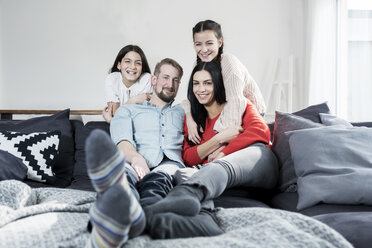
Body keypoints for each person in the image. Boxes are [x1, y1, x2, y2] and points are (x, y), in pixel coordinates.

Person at [145, 60, 278, 220]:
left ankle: (182, 196)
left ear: (218, 85)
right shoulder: (194, 120)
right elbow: (188, 156)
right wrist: (220, 138)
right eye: (196, 83)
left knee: (249, 154)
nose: (201, 89)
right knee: (184, 173)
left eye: (208, 83)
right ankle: (185, 221)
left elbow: (260, 132)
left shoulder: (240, 106)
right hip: (224, 185)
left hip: (256, 170)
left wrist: (222, 154)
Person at [85, 58, 187, 247]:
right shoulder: (128, 110)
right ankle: (112, 220)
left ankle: (143, 220)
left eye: (176, 80)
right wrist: (136, 158)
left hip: (169, 165)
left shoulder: (184, 112)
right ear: (154, 80)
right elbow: (122, 140)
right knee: (121, 180)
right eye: (165, 77)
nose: (170, 84)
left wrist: (193, 112)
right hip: (133, 160)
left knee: (159, 182)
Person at [184, 20, 267, 145]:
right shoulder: (198, 64)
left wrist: (219, 143)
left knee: (222, 152)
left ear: (220, 42)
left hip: (248, 113)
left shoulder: (228, 62)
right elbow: (192, 96)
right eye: (198, 44)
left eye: (209, 43)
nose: (204, 49)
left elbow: (235, 103)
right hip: (223, 111)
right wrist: (190, 119)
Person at [103, 45, 152, 123]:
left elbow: (141, 119)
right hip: (119, 127)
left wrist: (112, 120)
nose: (133, 67)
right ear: (119, 65)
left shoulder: (147, 80)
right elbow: (115, 116)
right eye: (127, 61)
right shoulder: (112, 79)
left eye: (138, 63)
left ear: (142, 67)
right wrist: (133, 101)